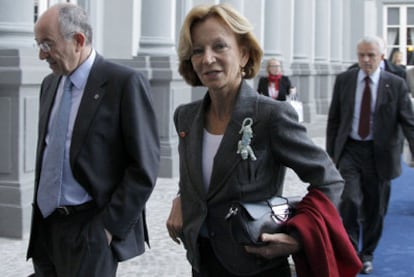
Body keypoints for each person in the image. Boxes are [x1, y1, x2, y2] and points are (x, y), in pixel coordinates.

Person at [166, 3, 361, 277]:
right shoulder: (185, 117)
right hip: (201, 261)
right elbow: (201, 178)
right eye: (198, 50)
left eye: (219, 46)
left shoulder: (271, 116)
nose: (207, 58)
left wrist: (297, 236)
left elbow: (330, 181)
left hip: (255, 264)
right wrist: (180, 198)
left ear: (244, 54)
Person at [27, 3, 160, 277]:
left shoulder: (123, 83)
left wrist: (108, 229)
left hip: (90, 230)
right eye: (39, 44)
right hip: (46, 228)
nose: (42, 55)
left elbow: (144, 167)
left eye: (48, 44)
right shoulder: (50, 84)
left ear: (78, 41)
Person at [326, 35, 414, 275]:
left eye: (371, 55)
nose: (365, 60)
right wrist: (331, 154)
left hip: (380, 154)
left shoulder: (395, 84)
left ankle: (368, 253)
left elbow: (408, 122)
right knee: (350, 201)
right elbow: (334, 119)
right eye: (361, 55)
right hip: (351, 150)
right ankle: (353, 251)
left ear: (382, 57)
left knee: (375, 208)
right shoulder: (345, 80)